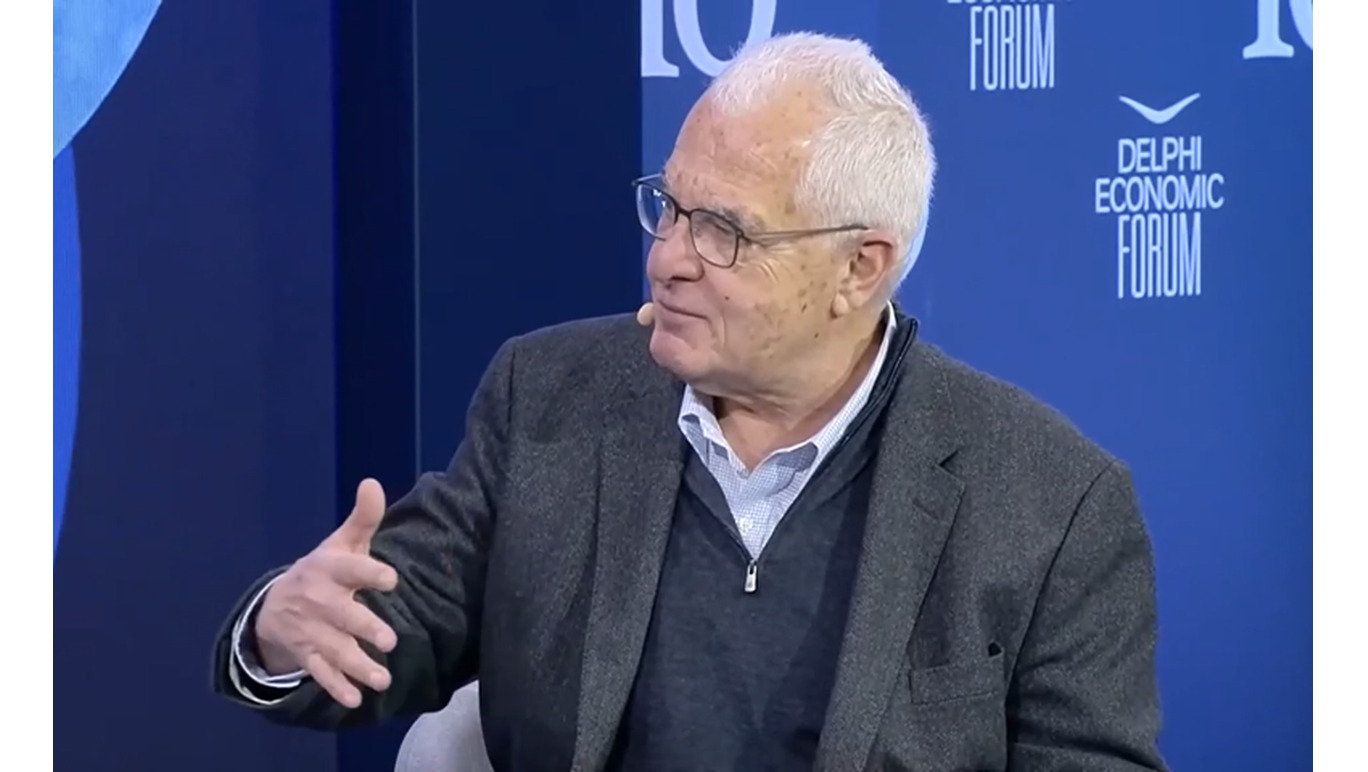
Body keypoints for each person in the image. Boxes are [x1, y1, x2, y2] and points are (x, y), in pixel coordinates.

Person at [213, 32, 1168, 771]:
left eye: (722, 232)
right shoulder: (551, 399)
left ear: (859, 268)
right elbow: (383, 628)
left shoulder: (1048, 504)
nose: (667, 258)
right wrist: (283, 630)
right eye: (669, 207)